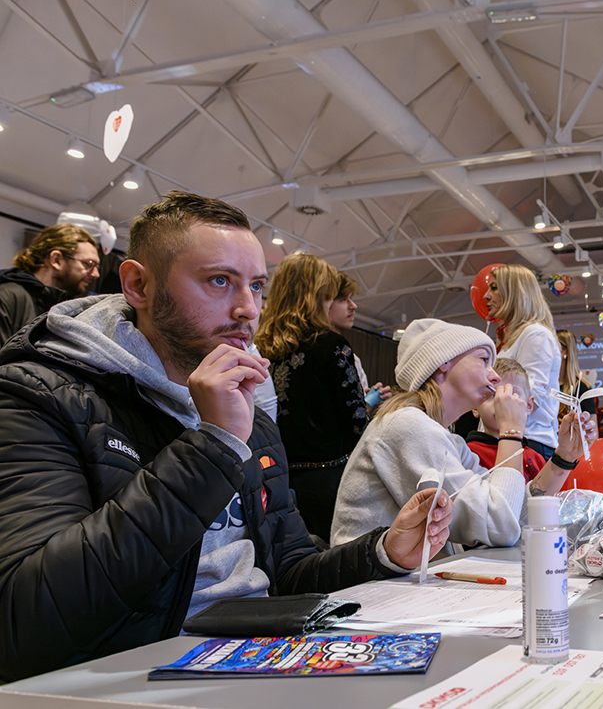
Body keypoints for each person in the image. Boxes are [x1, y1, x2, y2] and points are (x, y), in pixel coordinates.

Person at [0, 191, 452, 683]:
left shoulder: (252, 418)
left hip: (254, 659)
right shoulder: (38, 397)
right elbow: (26, 621)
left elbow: (287, 572)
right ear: (138, 285)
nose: (247, 310)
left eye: (256, 286)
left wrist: (382, 552)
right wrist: (212, 445)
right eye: (220, 281)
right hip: (132, 676)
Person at [331, 318, 590, 550]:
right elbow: (500, 526)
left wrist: (564, 457)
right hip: (369, 584)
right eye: (483, 360)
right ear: (442, 362)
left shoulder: (448, 440)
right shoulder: (407, 425)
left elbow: (514, 514)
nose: (494, 376)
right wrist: (511, 432)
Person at [254, 253, 369, 543]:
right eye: (330, 295)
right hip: (331, 481)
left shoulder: (261, 349)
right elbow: (356, 422)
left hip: (276, 479)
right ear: (316, 296)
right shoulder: (330, 345)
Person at [483, 264, 562, 460]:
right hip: (510, 438)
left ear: (515, 293)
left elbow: (531, 394)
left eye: (494, 288)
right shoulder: (513, 336)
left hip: (528, 441)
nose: (485, 296)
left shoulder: (535, 334)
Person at [0, 224, 99, 342]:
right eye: (89, 264)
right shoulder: (7, 297)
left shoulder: (66, 309)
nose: (96, 274)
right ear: (56, 260)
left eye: (96, 267)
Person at [466, 358, 548, 481]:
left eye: (513, 395)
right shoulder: (469, 454)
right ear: (475, 406)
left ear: (528, 406)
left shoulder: (536, 459)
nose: (503, 402)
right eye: (493, 394)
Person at [329, 271, 391, 407]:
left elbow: (356, 414)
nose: (353, 306)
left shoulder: (353, 359)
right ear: (324, 303)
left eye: (350, 298)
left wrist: (369, 404)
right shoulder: (310, 354)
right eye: (343, 299)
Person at [556, 328, 598, 419]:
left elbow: (592, 425)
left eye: (553, 346)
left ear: (566, 352)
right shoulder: (545, 384)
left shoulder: (582, 388)